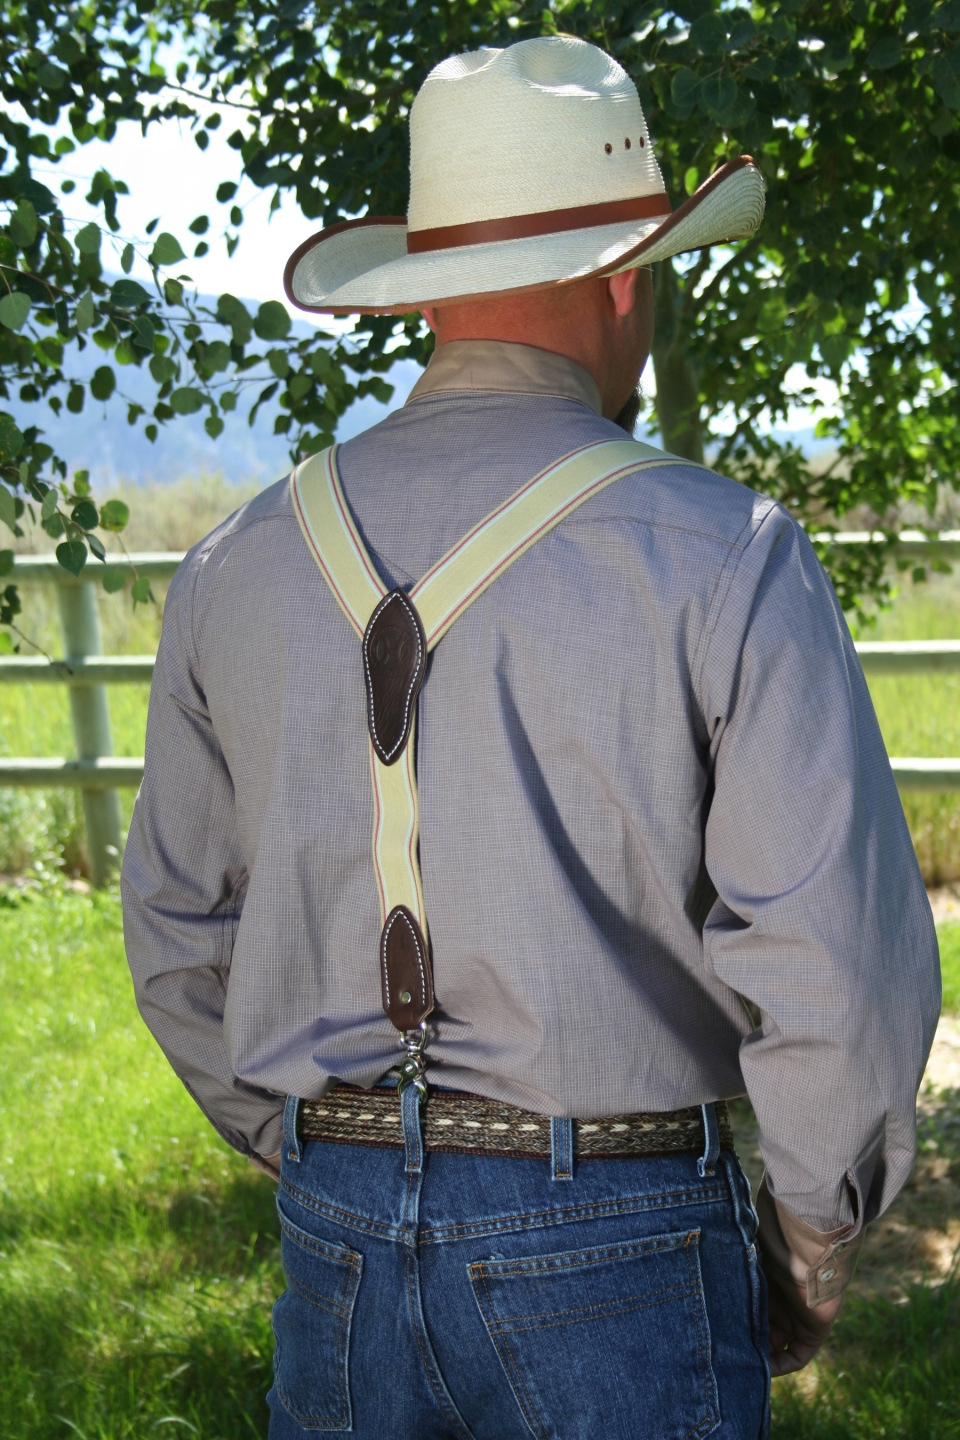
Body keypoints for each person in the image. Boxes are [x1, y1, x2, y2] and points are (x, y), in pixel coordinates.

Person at [122, 35, 940, 1440]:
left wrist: (324, 1163)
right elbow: (835, 971)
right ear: (626, 277)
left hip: (336, 1244)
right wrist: (811, 1234)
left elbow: (179, 938)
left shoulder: (236, 565)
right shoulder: (721, 550)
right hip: (619, 1241)